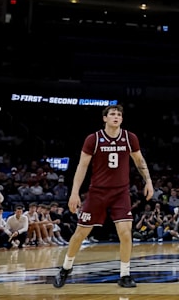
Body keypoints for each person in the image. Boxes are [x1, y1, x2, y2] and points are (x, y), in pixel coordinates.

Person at [54, 105, 154, 289]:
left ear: (122, 119)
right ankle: (66, 268)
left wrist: (148, 181)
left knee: (125, 233)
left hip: (120, 193)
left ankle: (125, 274)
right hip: (97, 192)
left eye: (119, 115)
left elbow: (140, 161)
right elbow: (82, 167)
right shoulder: (94, 139)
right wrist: (74, 192)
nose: (116, 117)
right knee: (80, 234)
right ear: (105, 119)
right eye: (112, 114)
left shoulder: (129, 138)